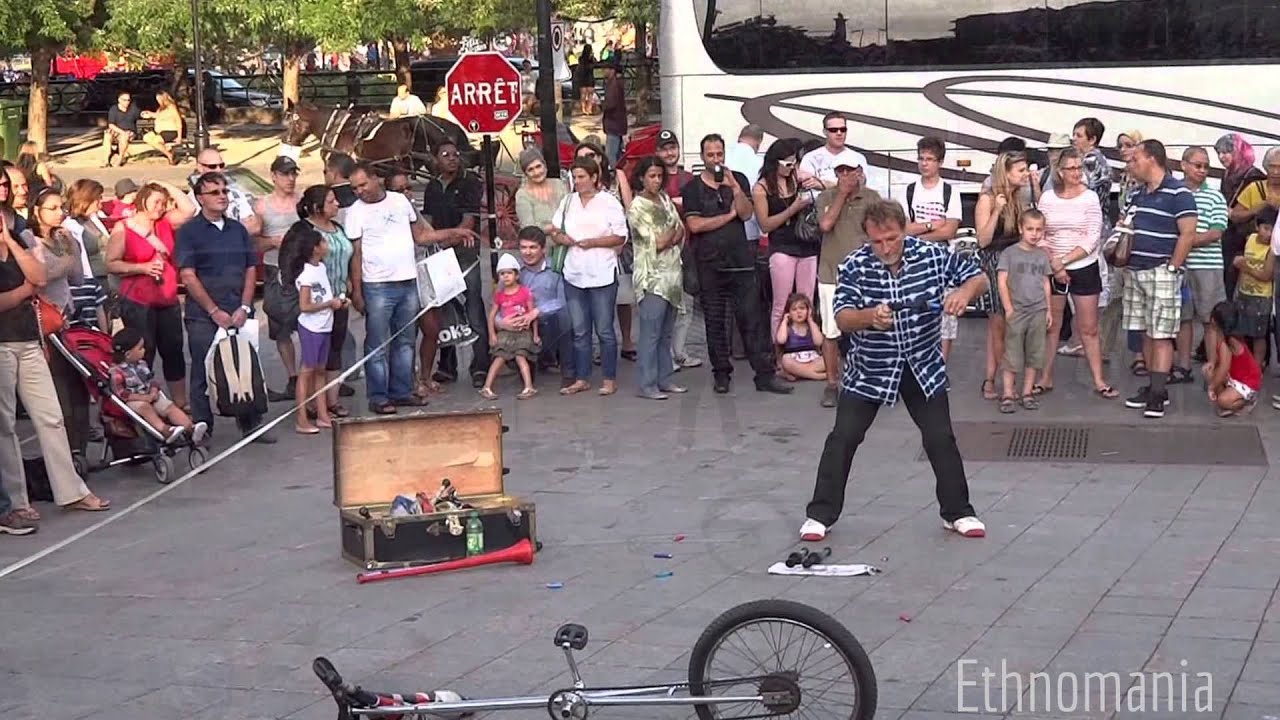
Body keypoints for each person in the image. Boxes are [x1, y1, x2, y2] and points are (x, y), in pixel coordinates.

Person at [799, 200, 989, 543]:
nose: (885, 247)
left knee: (940, 437)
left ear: (904, 230)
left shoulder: (932, 255)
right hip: (870, 368)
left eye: (891, 238)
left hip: (922, 364)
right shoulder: (854, 265)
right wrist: (869, 317)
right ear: (867, 238)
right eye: (877, 241)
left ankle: (958, 511)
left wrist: (964, 292)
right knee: (843, 438)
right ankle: (820, 515)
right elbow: (841, 317)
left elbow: (979, 278)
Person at [682, 134, 792, 396]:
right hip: (709, 263)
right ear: (702, 157)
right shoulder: (692, 188)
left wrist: (734, 188)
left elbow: (746, 214)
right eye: (711, 155)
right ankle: (721, 373)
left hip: (740, 261)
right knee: (715, 321)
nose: (716, 159)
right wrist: (727, 215)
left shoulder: (738, 180)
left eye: (719, 154)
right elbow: (696, 225)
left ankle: (763, 375)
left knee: (751, 319)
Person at [176, 172, 276, 445]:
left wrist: (245, 304)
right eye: (214, 192)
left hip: (239, 308)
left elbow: (250, 267)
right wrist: (212, 310)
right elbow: (188, 275)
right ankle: (202, 427)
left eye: (224, 191)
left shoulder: (237, 229)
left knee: (246, 366)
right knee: (202, 370)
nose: (222, 196)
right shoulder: (189, 232)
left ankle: (250, 424)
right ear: (200, 198)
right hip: (204, 315)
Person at [997, 209, 1054, 413]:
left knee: (1035, 353)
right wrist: (1008, 308)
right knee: (1012, 353)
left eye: (1039, 230)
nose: (1034, 234)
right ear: (1021, 228)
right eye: (1030, 229)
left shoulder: (1041, 255)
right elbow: (1002, 281)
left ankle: (1027, 392)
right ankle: (1007, 393)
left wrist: (1048, 310)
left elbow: (1046, 283)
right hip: (1017, 311)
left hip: (1038, 310)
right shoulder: (1010, 253)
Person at [109, 327, 207, 445]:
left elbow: (151, 380)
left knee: (169, 406)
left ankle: (190, 427)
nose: (144, 350)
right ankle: (164, 430)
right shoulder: (117, 372)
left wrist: (154, 391)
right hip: (132, 401)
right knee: (145, 408)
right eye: (140, 348)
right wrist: (143, 398)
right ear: (128, 354)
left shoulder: (142, 364)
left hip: (150, 395)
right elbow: (121, 394)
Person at [291, 226, 345, 434]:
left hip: (325, 325)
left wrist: (337, 302)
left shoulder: (321, 268)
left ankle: (323, 414)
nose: (327, 245)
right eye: (323, 242)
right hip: (312, 327)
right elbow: (305, 306)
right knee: (307, 371)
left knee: (320, 370)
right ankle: (301, 418)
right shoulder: (306, 274)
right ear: (315, 248)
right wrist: (329, 304)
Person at [481, 253, 540, 400]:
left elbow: (533, 314)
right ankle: (487, 387)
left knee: (521, 356)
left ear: (517, 275)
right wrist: (492, 335)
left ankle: (528, 386)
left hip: (523, 331)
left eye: (509, 273)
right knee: (499, 357)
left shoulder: (525, 292)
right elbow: (492, 315)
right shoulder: (499, 295)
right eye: (502, 274)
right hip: (505, 332)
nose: (506, 277)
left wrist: (535, 334)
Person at [1231, 204, 1275, 364]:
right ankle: (1244, 363)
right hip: (1244, 292)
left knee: (1258, 334)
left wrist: (1245, 267)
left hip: (1261, 296)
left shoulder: (1272, 249)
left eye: (1273, 230)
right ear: (1257, 225)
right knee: (1243, 331)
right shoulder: (1249, 240)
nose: (1269, 234)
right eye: (1265, 228)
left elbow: (1266, 275)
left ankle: (1257, 366)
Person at [1204, 301, 1261, 417]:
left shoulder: (1229, 342)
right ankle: (1228, 397)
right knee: (1209, 372)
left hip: (1247, 381)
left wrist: (1212, 387)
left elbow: (1224, 367)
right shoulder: (1221, 336)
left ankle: (1245, 401)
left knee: (1222, 400)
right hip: (1235, 376)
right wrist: (1212, 362)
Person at [774, 293, 826, 381]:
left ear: (808, 310)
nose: (799, 312)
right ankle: (815, 375)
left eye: (802, 308)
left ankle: (799, 373)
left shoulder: (811, 326)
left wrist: (810, 320)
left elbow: (819, 341)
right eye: (794, 309)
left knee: (828, 360)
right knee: (786, 360)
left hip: (812, 358)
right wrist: (784, 321)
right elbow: (781, 340)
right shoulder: (788, 328)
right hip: (794, 358)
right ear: (788, 313)